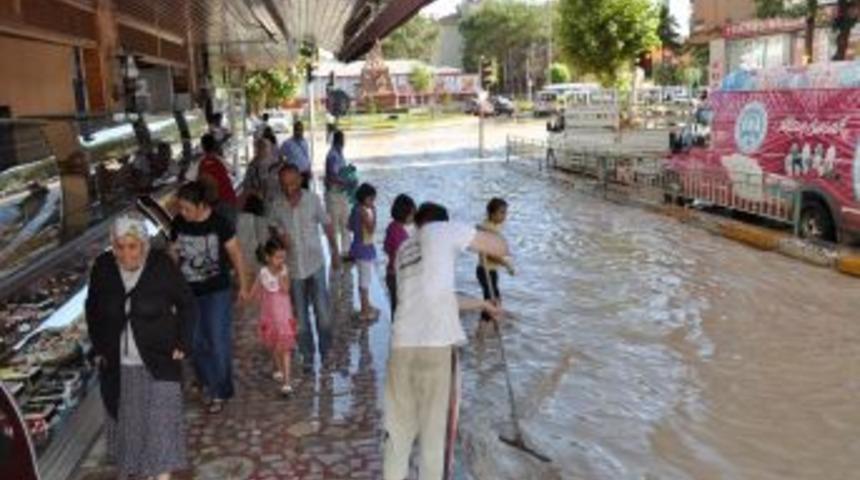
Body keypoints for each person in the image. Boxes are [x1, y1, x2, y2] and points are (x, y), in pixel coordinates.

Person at [383, 202, 509, 480]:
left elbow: (439, 299)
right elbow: (499, 247)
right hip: (435, 349)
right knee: (433, 437)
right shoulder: (444, 229)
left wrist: (482, 304)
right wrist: (482, 229)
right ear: (443, 221)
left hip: (401, 347)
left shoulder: (404, 250)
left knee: (398, 437)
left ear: (416, 223)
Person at [86, 214, 197, 480]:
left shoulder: (160, 265)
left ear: (143, 244)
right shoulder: (103, 266)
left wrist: (183, 341)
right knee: (133, 434)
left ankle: (160, 475)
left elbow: (187, 304)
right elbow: (92, 309)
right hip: (121, 367)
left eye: (132, 246)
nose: (126, 254)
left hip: (159, 360)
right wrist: (100, 346)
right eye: (119, 247)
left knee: (160, 432)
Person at [170, 181, 250, 414]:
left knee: (217, 341)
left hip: (217, 291)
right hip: (188, 294)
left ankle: (220, 391)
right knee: (193, 343)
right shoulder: (178, 223)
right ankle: (206, 380)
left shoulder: (220, 223)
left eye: (187, 208)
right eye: (180, 208)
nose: (182, 213)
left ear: (202, 205)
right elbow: (174, 253)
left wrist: (243, 286)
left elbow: (236, 254)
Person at [267, 164, 341, 372]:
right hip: (292, 269)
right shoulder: (277, 205)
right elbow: (272, 225)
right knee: (299, 319)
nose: (288, 188)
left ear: (299, 179)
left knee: (323, 315)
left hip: (315, 264)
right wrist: (278, 235)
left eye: (292, 183)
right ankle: (307, 355)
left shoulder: (312, 200)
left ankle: (326, 353)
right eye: (284, 185)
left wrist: (335, 252)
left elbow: (327, 224)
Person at [251, 237, 298, 396]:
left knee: (284, 347)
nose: (281, 261)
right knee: (273, 344)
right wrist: (246, 296)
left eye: (283, 257)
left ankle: (287, 382)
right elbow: (256, 289)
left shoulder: (284, 271)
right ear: (268, 257)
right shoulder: (263, 272)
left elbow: (286, 289)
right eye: (278, 257)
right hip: (269, 316)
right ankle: (278, 368)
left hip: (283, 316)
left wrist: (280, 276)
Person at [476, 198, 515, 325]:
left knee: (496, 300)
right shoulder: (489, 229)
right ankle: (481, 332)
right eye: (502, 213)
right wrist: (506, 264)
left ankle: (489, 326)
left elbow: (479, 226)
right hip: (486, 270)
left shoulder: (489, 226)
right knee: (492, 302)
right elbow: (489, 255)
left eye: (505, 213)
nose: (505, 216)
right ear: (492, 214)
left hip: (490, 270)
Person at [349, 183, 378, 321]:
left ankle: (366, 304)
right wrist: (374, 214)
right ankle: (364, 311)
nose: (373, 202)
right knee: (364, 282)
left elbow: (349, 226)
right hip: (364, 249)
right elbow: (371, 229)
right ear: (365, 198)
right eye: (371, 199)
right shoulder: (364, 211)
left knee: (363, 279)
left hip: (357, 246)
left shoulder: (355, 208)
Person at [383, 194, 416, 315]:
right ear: (405, 213)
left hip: (390, 273)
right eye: (412, 214)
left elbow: (386, 248)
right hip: (399, 277)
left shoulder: (391, 227)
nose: (414, 217)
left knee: (396, 308)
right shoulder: (400, 233)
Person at [199, 133, 238, 225]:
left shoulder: (200, 162)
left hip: (212, 202)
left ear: (203, 147)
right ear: (215, 146)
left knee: (217, 230)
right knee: (230, 228)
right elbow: (234, 172)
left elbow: (186, 178)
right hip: (227, 199)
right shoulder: (219, 159)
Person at [325, 130, 353, 258]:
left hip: (342, 194)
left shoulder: (340, 154)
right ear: (338, 141)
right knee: (334, 225)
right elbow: (332, 176)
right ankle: (334, 253)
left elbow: (340, 172)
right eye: (342, 140)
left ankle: (346, 252)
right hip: (334, 195)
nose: (344, 142)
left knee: (345, 223)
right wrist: (346, 182)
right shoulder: (332, 155)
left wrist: (350, 172)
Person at [279, 120, 311, 189]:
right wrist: (286, 165)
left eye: (301, 130)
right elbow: (280, 156)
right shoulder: (287, 143)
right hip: (294, 175)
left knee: (305, 194)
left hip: (304, 173)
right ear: (294, 130)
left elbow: (306, 156)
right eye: (298, 130)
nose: (300, 132)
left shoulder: (305, 142)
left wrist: (309, 169)